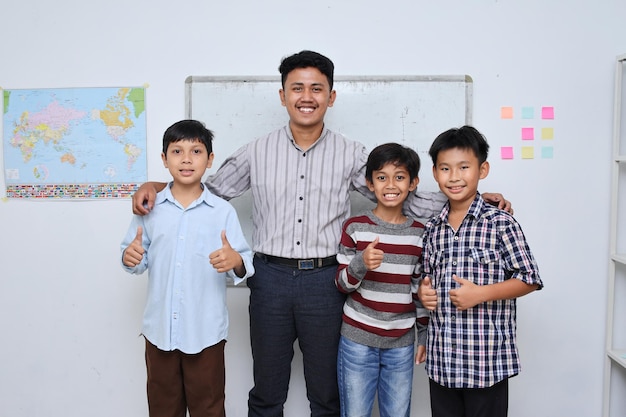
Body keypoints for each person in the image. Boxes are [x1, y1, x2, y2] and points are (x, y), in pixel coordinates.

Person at [131, 51, 511, 417]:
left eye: (316, 88)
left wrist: (466, 200)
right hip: (270, 280)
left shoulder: (351, 154)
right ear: (283, 96)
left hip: (325, 282)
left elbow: (396, 193)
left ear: (331, 96)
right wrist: (155, 185)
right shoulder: (256, 152)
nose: (306, 97)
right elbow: (207, 190)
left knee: (326, 393)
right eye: (297, 88)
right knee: (267, 390)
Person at [120, 119, 255, 417]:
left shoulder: (222, 211)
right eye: (177, 151)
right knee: (162, 408)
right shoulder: (149, 210)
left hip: (205, 332)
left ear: (210, 159)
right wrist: (130, 258)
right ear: (164, 159)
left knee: (208, 407)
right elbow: (134, 256)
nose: (186, 159)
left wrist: (236, 262)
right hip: (159, 331)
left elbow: (245, 262)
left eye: (196, 151)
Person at [418, 125, 543, 417]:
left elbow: (530, 279)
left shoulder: (500, 222)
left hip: (485, 363)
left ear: (482, 169)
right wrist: (424, 294)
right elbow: (426, 280)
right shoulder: (432, 229)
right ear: (435, 173)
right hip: (443, 361)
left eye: (464, 167)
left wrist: (481, 294)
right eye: (445, 168)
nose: (455, 176)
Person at [335, 143, 429, 417]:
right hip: (357, 341)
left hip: (400, 344)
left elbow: (418, 289)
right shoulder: (355, 227)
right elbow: (341, 284)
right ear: (370, 183)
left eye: (400, 177)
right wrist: (361, 264)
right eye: (381, 177)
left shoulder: (419, 234)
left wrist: (422, 334)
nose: (391, 184)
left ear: (413, 183)